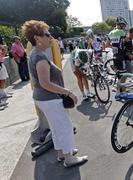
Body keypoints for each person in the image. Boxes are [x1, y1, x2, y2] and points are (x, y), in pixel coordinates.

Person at [22, 20, 88, 167]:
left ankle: (62, 153)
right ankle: (69, 158)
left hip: (44, 99)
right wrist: (68, 92)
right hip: (49, 99)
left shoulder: (38, 54)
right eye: (47, 34)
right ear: (37, 38)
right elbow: (45, 83)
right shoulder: (39, 56)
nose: (51, 37)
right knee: (65, 127)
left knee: (57, 128)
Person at [105, 16, 129, 100]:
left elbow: (107, 44)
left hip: (114, 56)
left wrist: (113, 47)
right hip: (121, 57)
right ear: (120, 24)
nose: (124, 27)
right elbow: (127, 41)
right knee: (123, 76)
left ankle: (120, 92)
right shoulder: (121, 32)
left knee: (119, 76)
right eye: (123, 25)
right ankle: (121, 93)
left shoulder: (111, 33)